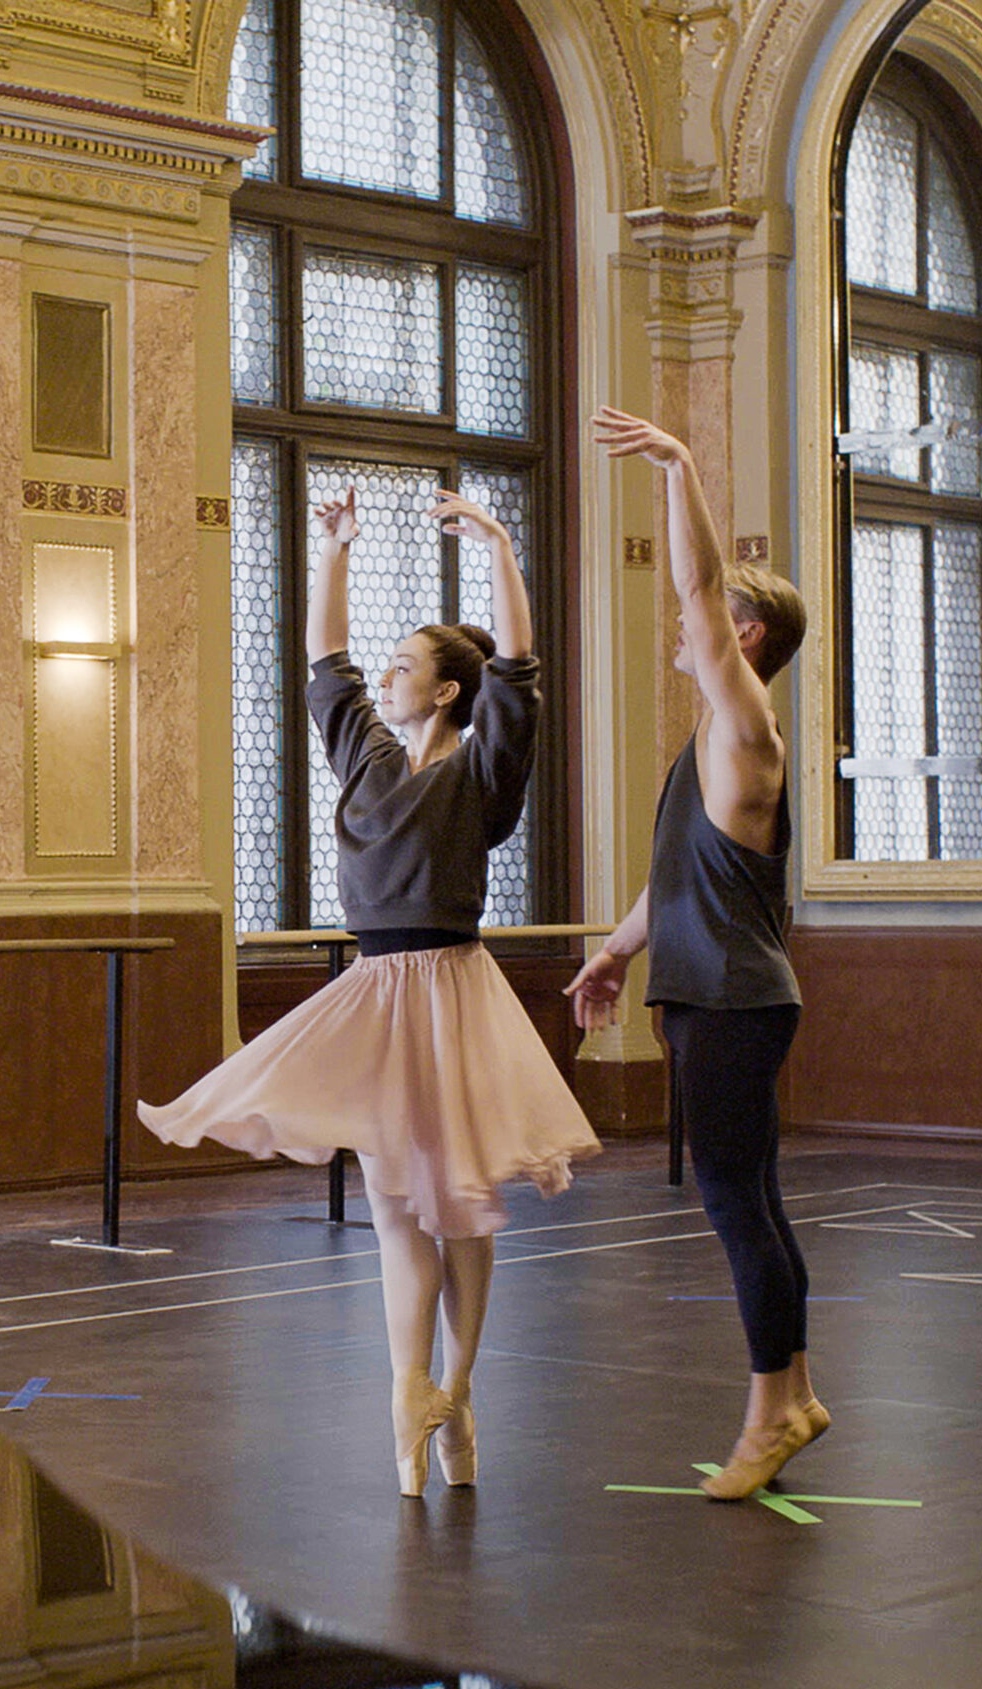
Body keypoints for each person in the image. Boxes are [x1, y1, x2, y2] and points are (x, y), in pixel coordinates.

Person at [140, 484, 601, 1497]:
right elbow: (325, 660)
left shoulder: (482, 770)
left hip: (451, 986)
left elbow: (519, 670)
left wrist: (500, 545)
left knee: (460, 1204)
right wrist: (336, 549)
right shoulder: (363, 753)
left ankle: (461, 1388)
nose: (384, 676)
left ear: (443, 692)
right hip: (379, 986)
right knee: (399, 1201)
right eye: (387, 665)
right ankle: (409, 1388)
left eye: (405, 667)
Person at [566, 405, 825, 1502]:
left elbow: (698, 590)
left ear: (746, 636)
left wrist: (680, 464)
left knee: (731, 1202)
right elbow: (675, 878)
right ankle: (796, 1396)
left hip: (730, 1003)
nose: (687, 627)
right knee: (751, 1197)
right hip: (708, 994)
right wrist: (616, 952)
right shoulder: (707, 749)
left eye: (718, 618)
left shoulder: (746, 726)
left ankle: (767, 1416)